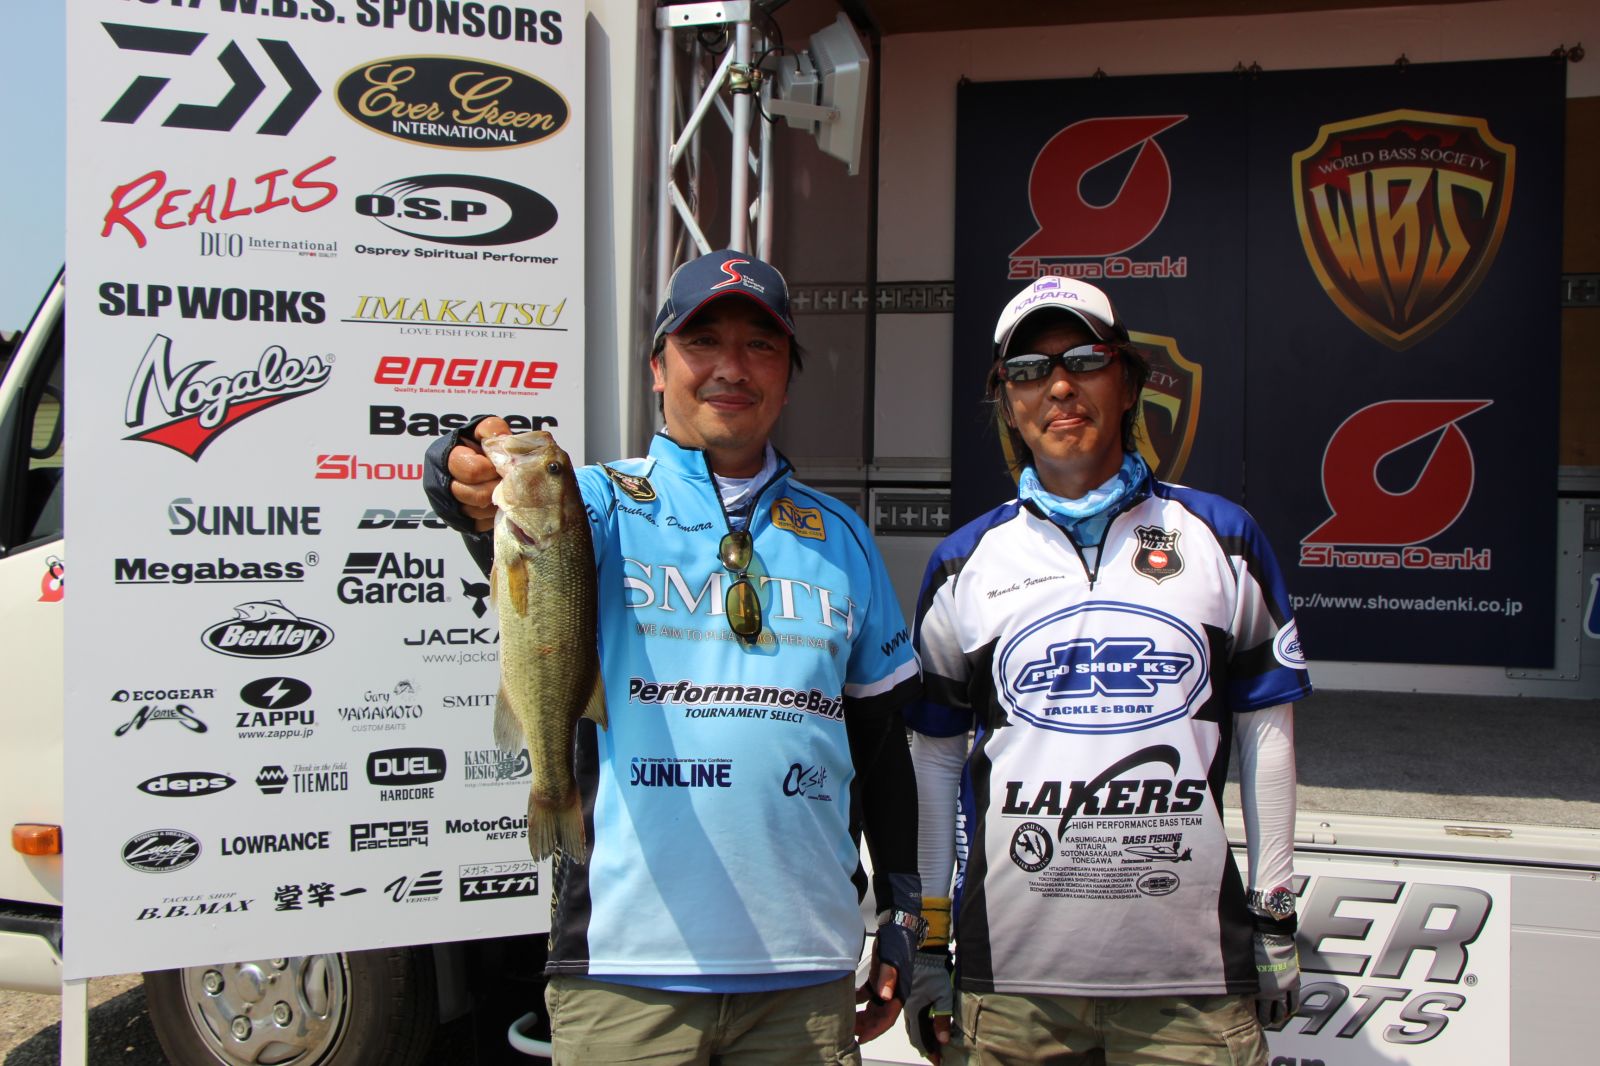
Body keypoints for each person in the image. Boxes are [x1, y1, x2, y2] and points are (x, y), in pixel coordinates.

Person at [423, 249, 926, 1066]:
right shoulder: (596, 501)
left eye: (760, 345)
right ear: (658, 368)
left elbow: (880, 748)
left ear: (788, 376)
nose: (732, 367)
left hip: (804, 976)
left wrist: (903, 913)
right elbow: (477, 495)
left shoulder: (843, 537)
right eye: (702, 342)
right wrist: (460, 466)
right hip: (626, 974)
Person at [901, 276, 1311, 1065]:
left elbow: (1268, 731)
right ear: (1007, 402)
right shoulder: (963, 564)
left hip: (1191, 985)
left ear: (1127, 382)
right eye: (1029, 370)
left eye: (1084, 360)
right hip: (1011, 987)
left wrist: (1274, 913)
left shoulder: (1223, 539)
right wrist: (928, 939)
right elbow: (936, 760)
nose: (1059, 386)